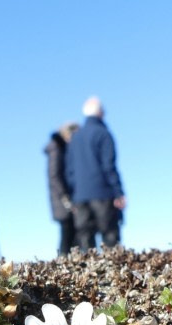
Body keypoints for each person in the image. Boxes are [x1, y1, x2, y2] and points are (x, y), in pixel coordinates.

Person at [64, 96, 126, 251]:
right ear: (100, 113)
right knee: (110, 238)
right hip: (103, 194)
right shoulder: (103, 134)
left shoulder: (75, 138)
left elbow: (70, 171)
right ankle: (114, 274)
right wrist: (118, 192)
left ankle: (88, 274)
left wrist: (73, 195)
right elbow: (109, 166)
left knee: (85, 241)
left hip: (80, 197)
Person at [44, 122, 79, 255]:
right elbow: (54, 175)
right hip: (61, 200)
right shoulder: (56, 149)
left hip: (62, 198)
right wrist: (65, 197)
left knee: (71, 234)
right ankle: (63, 266)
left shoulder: (61, 148)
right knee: (67, 234)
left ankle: (66, 265)